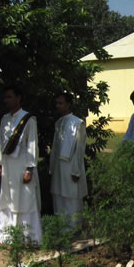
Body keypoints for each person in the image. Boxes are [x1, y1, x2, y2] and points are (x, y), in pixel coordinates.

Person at [0, 85, 41, 250]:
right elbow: (0, 143)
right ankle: (5, 237)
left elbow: (32, 144)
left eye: (10, 97)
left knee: (25, 200)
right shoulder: (4, 119)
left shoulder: (28, 119)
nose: (6, 100)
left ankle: (28, 237)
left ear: (19, 98)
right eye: (5, 97)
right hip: (7, 166)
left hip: (22, 165)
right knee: (6, 200)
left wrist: (29, 169)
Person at [49, 92, 88, 228]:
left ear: (68, 104)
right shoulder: (58, 123)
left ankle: (74, 226)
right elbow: (55, 147)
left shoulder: (77, 123)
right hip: (58, 166)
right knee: (58, 194)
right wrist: (51, 167)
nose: (57, 106)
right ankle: (61, 224)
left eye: (61, 103)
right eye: (57, 103)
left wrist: (76, 170)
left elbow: (79, 149)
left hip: (71, 166)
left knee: (71, 195)